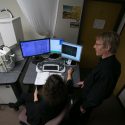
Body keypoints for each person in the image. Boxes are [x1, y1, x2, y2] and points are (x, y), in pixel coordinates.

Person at [69, 31, 121, 124]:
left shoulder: (108, 70)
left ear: (108, 47)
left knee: (77, 116)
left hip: (88, 100)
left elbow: (98, 94)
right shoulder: (107, 60)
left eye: (97, 44)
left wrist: (84, 106)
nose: (94, 46)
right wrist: (86, 81)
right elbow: (96, 75)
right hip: (88, 91)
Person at [9, 68, 74, 125]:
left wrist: (35, 99)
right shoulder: (66, 90)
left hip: (42, 118)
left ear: (46, 87)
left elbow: (34, 120)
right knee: (28, 96)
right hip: (56, 110)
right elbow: (69, 82)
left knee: (24, 96)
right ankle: (16, 105)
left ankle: (16, 105)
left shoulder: (40, 104)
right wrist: (69, 73)